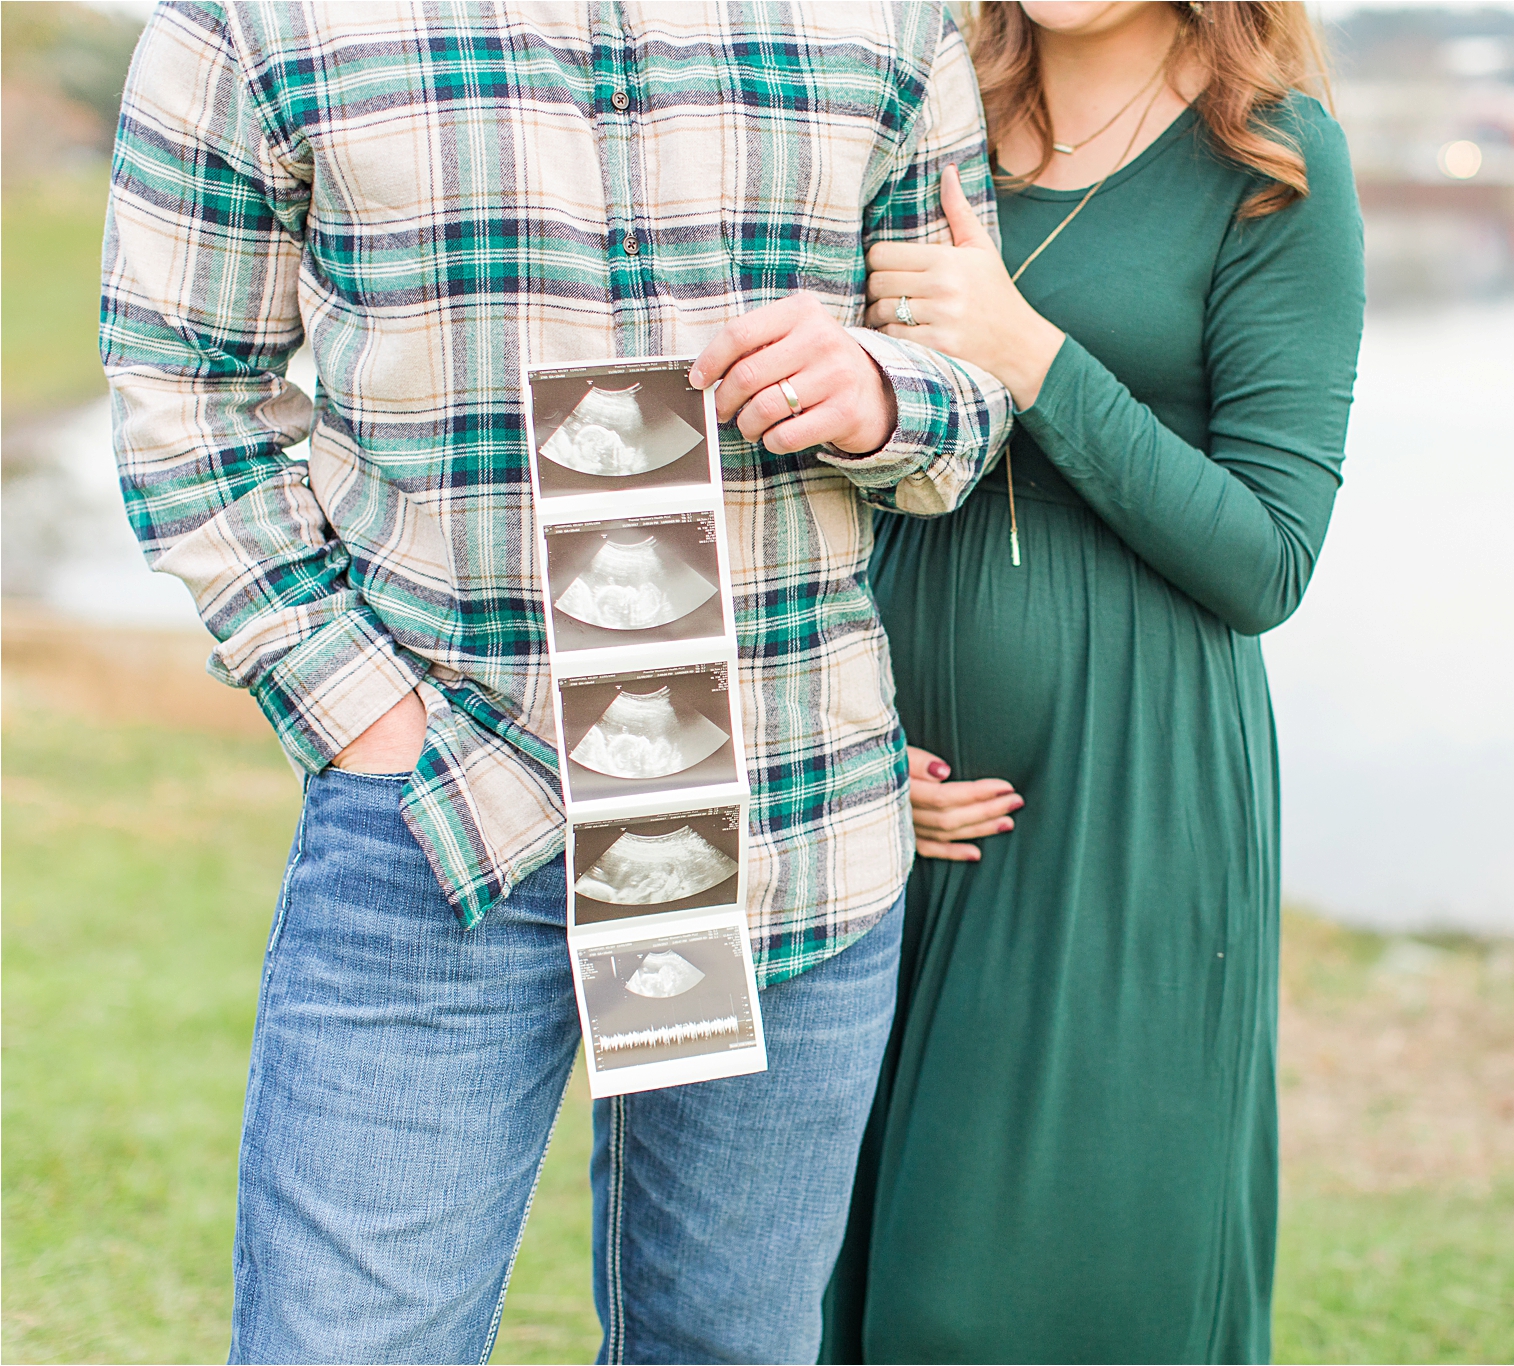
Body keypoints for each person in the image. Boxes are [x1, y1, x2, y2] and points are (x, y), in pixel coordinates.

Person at [100, 5, 1009, 1362]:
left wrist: (887, 394)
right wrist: (366, 715)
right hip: (441, 809)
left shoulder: (888, 17)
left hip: (793, 826)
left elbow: (971, 378)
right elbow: (182, 388)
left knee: (724, 1346)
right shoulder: (249, 18)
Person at [821, 1, 1365, 1361]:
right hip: (865, 796)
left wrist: (1032, 355)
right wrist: (837, 744)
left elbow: (1267, 560)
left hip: (1127, 812)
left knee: (1013, 1298)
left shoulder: (1272, 161)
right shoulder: (912, 126)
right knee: (844, 1277)